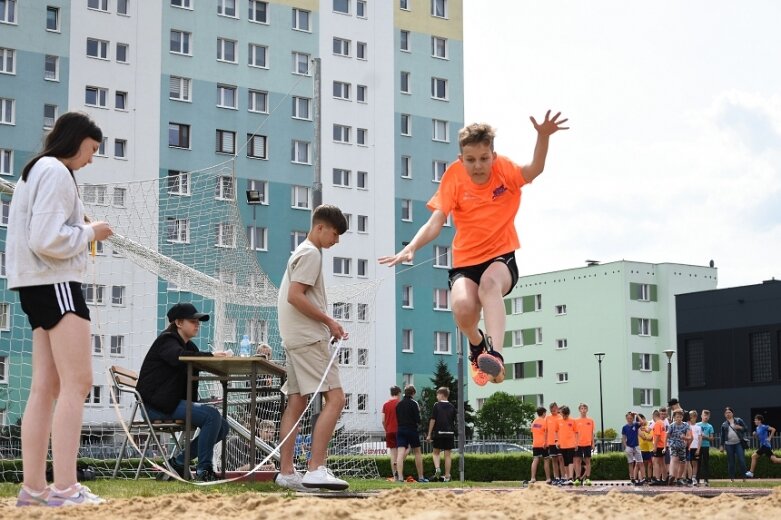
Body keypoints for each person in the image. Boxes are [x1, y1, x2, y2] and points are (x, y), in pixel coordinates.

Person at [379, 113, 569, 386]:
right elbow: (436, 222)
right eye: (470, 160)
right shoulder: (454, 178)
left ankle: (496, 355)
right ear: (461, 159)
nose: (478, 166)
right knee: (463, 308)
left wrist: (543, 136)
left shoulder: (505, 171)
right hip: (465, 262)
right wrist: (411, 247)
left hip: (500, 256)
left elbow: (534, 169)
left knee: (489, 285)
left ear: (493, 154)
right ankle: (477, 345)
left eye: (484, 158)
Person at [8, 112, 113, 507]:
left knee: (45, 387)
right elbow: (46, 238)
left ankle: (34, 488)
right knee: (78, 382)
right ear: (76, 141)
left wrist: (80, 228)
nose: (90, 159)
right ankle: (66, 487)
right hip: (55, 283)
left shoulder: (35, 170)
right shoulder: (55, 171)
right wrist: (91, 232)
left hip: (34, 286)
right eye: (91, 150)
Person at [274, 204, 350, 492]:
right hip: (307, 338)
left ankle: (286, 472)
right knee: (337, 398)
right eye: (335, 233)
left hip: (294, 338)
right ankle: (316, 468)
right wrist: (329, 321)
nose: (336, 240)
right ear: (320, 228)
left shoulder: (301, 252)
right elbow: (296, 296)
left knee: (296, 401)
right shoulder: (311, 253)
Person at [136, 303, 231, 481]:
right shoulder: (167, 340)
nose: (198, 324)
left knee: (223, 426)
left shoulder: (190, 347)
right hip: (155, 406)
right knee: (212, 415)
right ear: (179, 323)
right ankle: (204, 470)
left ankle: (178, 463)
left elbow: (195, 361)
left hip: (171, 403)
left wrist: (220, 364)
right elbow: (179, 357)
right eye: (193, 321)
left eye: (198, 321)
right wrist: (211, 356)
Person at [396, 385, 428, 483]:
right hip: (411, 429)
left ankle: (400, 477)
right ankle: (421, 477)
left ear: (405, 393)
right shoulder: (414, 403)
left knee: (400, 453)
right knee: (417, 452)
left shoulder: (399, 404)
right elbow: (418, 419)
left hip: (401, 429)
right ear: (413, 393)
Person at [426, 387, 456, 482]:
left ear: (442, 395)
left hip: (439, 433)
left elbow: (433, 420)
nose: (436, 396)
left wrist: (429, 434)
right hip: (450, 433)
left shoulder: (436, 405)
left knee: (436, 453)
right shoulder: (452, 406)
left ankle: (437, 468)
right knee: (447, 455)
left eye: (437, 395)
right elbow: (454, 421)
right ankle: (447, 476)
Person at [720, 406, 749, 482]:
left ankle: (744, 478)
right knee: (731, 462)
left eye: (729, 412)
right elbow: (722, 436)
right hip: (728, 445)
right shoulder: (724, 424)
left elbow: (746, 428)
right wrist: (721, 446)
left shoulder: (738, 420)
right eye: (726, 413)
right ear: (724, 414)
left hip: (738, 443)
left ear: (732, 413)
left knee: (741, 460)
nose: (728, 414)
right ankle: (732, 479)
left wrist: (740, 427)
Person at [666, 410, 692, 486]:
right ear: (674, 417)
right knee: (674, 459)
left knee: (683, 462)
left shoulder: (686, 425)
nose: (679, 418)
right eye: (677, 417)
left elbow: (690, 436)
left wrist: (685, 438)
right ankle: (672, 475)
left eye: (680, 417)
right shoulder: (671, 426)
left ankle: (679, 478)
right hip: (673, 445)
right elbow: (667, 436)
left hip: (682, 446)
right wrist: (666, 446)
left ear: (682, 417)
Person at [381, 386, 402, 480]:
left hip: (389, 431)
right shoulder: (399, 403)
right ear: (398, 393)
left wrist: (386, 429)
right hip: (399, 430)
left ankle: (395, 476)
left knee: (393, 453)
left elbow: (382, 420)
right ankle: (400, 472)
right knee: (402, 451)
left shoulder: (385, 404)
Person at [573, 403, 595, 485]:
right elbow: (574, 433)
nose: (583, 410)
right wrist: (574, 443)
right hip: (578, 444)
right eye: (582, 408)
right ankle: (578, 478)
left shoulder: (591, 421)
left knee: (587, 461)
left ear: (587, 410)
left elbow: (592, 433)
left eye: (585, 408)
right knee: (577, 461)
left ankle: (588, 478)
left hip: (587, 444)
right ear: (579, 410)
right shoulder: (575, 421)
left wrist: (593, 443)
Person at [544, 402, 564, 484]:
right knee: (554, 460)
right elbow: (546, 431)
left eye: (555, 410)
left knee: (561, 459)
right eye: (551, 410)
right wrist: (545, 441)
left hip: (560, 442)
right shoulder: (547, 418)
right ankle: (556, 477)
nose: (553, 412)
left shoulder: (561, 417)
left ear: (557, 408)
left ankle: (563, 477)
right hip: (551, 442)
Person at [557, 406, 578, 485]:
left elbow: (576, 432)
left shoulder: (572, 421)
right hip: (562, 444)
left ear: (567, 413)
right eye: (562, 415)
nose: (564, 416)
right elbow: (556, 431)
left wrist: (576, 443)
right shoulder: (558, 421)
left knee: (570, 461)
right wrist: (557, 441)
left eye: (565, 415)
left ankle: (570, 478)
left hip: (571, 444)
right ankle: (567, 477)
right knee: (565, 462)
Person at [621, 412, 642, 484]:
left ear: (633, 419)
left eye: (631, 418)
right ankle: (632, 478)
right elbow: (623, 437)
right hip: (629, 446)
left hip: (636, 445)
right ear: (626, 419)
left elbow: (642, 422)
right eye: (628, 418)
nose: (629, 420)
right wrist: (625, 446)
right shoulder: (624, 427)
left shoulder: (635, 425)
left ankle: (643, 478)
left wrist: (637, 414)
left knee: (639, 462)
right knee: (630, 462)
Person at [529, 406, 548, 484]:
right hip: (543, 444)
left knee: (535, 460)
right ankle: (548, 478)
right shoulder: (544, 421)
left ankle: (533, 478)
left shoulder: (534, 422)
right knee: (546, 460)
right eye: (545, 413)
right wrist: (546, 442)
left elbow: (532, 432)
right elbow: (546, 433)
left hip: (535, 444)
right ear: (543, 413)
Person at [696, 409, 715, 486]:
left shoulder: (710, 426)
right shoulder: (697, 425)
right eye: (704, 415)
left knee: (706, 463)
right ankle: (697, 479)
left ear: (709, 417)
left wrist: (705, 436)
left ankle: (706, 480)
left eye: (707, 415)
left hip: (706, 446)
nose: (706, 417)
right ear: (701, 416)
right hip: (698, 446)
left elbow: (712, 438)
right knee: (698, 463)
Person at [686, 410, 703, 485]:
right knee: (687, 463)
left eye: (692, 417)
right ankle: (688, 477)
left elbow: (700, 439)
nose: (690, 419)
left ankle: (694, 478)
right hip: (688, 447)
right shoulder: (687, 426)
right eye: (689, 417)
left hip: (695, 447)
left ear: (695, 417)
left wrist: (698, 449)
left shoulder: (698, 427)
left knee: (695, 463)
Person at [637, 414, 654, 484]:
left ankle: (649, 478)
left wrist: (649, 438)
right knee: (642, 465)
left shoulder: (650, 425)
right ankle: (641, 479)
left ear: (644, 418)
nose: (642, 422)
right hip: (641, 449)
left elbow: (651, 436)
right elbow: (643, 437)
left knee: (650, 464)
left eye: (643, 419)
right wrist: (647, 438)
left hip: (649, 448)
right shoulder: (638, 427)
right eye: (640, 421)